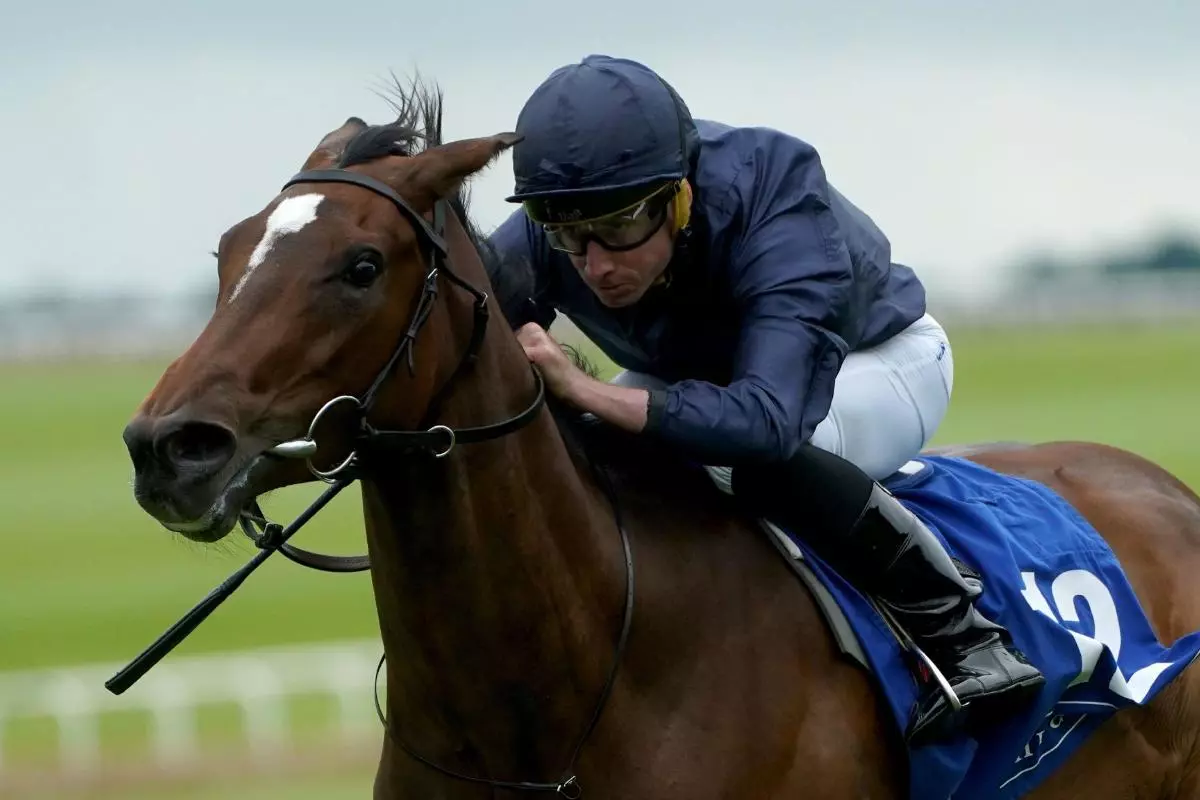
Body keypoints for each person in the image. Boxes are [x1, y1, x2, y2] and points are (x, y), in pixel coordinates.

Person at [485, 54, 1045, 746]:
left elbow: (766, 423)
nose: (595, 262)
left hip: (872, 365)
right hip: (704, 381)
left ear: (679, 197)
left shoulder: (776, 193)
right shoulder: (556, 230)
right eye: (568, 232)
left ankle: (964, 635)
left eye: (620, 226)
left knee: (736, 462)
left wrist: (585, 389)